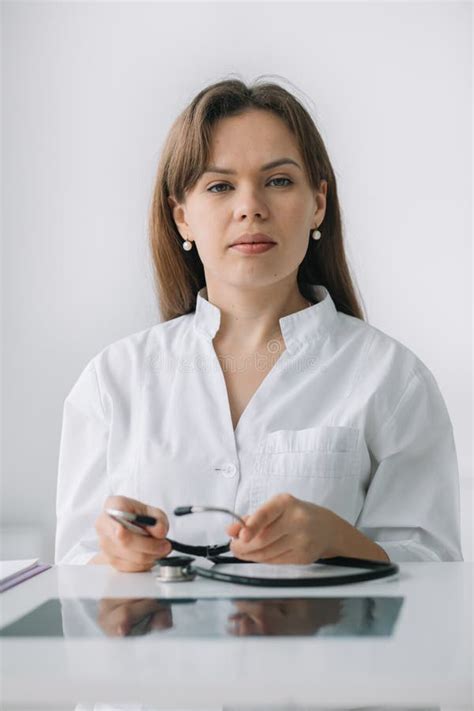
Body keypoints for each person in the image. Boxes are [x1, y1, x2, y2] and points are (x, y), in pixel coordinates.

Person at [54, 77, 463, 572]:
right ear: (182, 217)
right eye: (220, 186)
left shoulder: (393, 380)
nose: (250, 207)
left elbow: (438, 575)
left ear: (318, 203)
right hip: (159, 652)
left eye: (279, 181)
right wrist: (112, 558)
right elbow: (68, 579)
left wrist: (337, 541)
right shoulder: (112, 381)